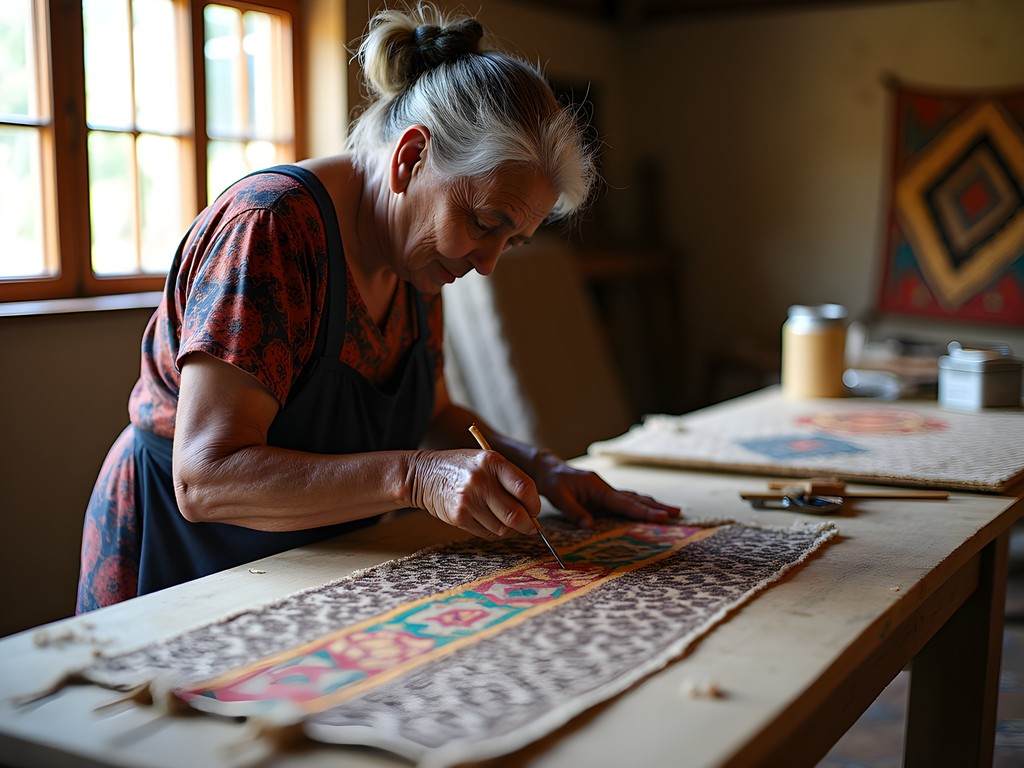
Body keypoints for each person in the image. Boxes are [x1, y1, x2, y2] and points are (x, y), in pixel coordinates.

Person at [76, 2, 679, 613]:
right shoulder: (272, 227)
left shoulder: (415, 258)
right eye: (483, 224)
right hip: (184, 558)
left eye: (513, 240)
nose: (489, 262)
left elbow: (436, 411)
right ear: (410, 158)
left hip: (303, 562)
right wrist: (417, 478)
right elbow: (206, 477)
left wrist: (546, 471)